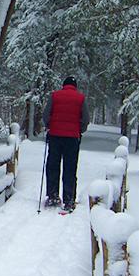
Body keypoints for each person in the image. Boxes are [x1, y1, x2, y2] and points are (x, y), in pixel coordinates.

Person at [42, 76, 90, 212]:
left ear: (63, 85)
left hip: (55, 136)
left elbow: (46, 115)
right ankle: (69, 199)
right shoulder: (81, 98)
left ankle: (53, 196)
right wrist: (79, 130)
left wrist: (49, 126)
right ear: (75, 86)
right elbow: (86, 118)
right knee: (70, 168)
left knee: (53, 165)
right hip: (72, 138)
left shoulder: (55, 96)